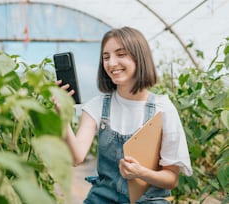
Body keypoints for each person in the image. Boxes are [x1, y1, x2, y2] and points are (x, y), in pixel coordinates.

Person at [56, 26, 193, 203]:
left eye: (121, 54)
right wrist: (63, 118)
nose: (111, 63)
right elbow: (76, 158)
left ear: (139, 58)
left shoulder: (162, 108)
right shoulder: (97, 106)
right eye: (106, 57)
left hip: (148, 200)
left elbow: (171, 179)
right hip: (103, 198)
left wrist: (140, 173)